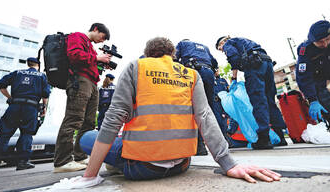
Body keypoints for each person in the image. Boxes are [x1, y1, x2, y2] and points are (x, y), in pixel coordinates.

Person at [72, 37, 281, 187]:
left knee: (88, 137)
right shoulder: (190, 74)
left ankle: (115, 166)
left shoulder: (137, 67)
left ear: (147, 54)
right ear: (173, 55)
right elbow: (206, 117)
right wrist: (228, 164)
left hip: (143, 168)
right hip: (182, 164)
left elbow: (114, 118)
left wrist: (89, 176)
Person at [53, 23, 112, 173]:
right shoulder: (77, 36)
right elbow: (74, 56)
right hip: (80, 81)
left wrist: (100, 62)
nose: (101, 41)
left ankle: (79, 156)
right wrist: (97, 57)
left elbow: (89, 61)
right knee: (74, 119)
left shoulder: (90, 47)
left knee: (89, 122)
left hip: (92, 82)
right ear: (96, 29)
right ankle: (62, 161)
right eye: (102, 37)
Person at [215, 36, 288, 150]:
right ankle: (280, 136)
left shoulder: (228, 43)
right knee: (269, 100)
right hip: (266, 63)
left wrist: (233, 78)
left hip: (254, 65)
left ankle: (264, 138)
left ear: (223, 42)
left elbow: (233, 58)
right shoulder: (243, 41)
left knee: (258, 100)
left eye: (221, 48)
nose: (223, 51)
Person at [0, 57, 50, 174]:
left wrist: (10, 97)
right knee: (26, 134)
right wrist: (44, 108)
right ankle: (22, 162)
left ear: (28, 64)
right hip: (30, 108)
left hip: (14, 106)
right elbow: (45, 94)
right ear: (37, 65)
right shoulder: (41, 76)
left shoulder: (17, 73)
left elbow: (0, 84)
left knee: (4, 134)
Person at [175, 39, 219, 155]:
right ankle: (218, 143)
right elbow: (215, 63)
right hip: (209, 74)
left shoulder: (182, 44)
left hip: (194, 72)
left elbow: (173, 58)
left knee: (193, 108)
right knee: (208, 110)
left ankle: (199, 146)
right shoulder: (205, 46)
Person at [213, 68, 229, 140]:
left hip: (222, 104)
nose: (217, 71)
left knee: (223, 124)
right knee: (216, 123)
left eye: (217, 70)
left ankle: (225, 139)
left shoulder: (222, 81)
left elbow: (228, 92)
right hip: (214, 104)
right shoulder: (209, 80)